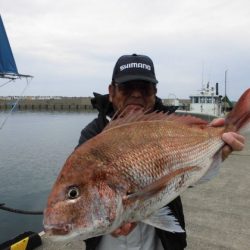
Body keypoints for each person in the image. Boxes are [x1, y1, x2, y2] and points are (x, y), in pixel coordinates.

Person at [77, 54, 245, 250]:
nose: (137, 94)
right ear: (111, 91)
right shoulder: (93, 134)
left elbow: (184, 178)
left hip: (159, 242)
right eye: (127, 87)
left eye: (145, 88)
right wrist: (105, 222)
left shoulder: (171, 127)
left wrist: (214, 156)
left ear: (155, 92)